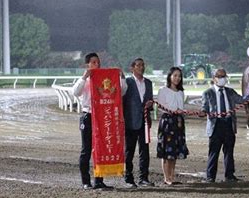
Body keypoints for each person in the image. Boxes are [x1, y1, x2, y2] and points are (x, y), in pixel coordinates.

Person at [72, 52, 127, 190]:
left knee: (100, 148)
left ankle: (99, 180)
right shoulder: (85, 80)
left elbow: (121, 91)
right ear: (88, 64)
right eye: (94, 62)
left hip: (102, 117)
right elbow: (75, 92)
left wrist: (121, 77)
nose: (97, 64)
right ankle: (86, 182)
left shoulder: (104, 79)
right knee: (86, 149)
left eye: (98, 62)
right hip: (88, 115)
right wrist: (85, 76)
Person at [200, 68, 245, 183]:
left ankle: (230, 175)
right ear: (214, 79)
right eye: (219, 76)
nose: (222, 79)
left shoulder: (230, 92)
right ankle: (210, 176)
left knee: (229, 152)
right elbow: (204, 108)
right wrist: (203, 112)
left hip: (229, 124)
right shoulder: (207, 93)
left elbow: (241, 100)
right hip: (216, 125)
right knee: (214, 152)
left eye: (224, 76)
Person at [122, 58, 154, 188]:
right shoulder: (127, 83)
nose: (141, 67)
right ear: (132, 68)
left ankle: (144, 178)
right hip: (130, 122)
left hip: (145, 122)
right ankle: (128, 179)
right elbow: (122, 102)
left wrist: (150, 105)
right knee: (129, 151)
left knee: (144, 151)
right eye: (138, 65)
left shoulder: (149, 83)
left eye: (143, 65)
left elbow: (150, 101)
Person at [156, 67, 189, 185]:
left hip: (178, 122)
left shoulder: (181, 92)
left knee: (174, 151)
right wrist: (173, 111)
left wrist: (180, 112)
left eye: (179, 76)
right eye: (175, 75)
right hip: (167, 123)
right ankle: (166, 177)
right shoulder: (163, 90)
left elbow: (181, 107)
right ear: (170, 76)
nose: (177, 78)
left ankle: (172, 176)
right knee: (166, 150)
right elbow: (160, 107)